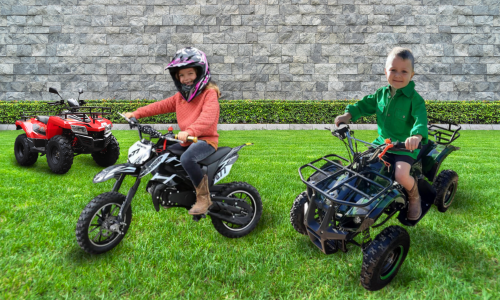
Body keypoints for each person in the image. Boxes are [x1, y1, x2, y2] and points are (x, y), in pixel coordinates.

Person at [334, 47, 428, 220]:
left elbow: (420, 119)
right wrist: (348, 115)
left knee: (400, 175)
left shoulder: (416, 100)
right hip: (382, 144)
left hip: (404, 147)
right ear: (386, 71)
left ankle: (415, 197)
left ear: (412, 75)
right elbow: (362, 105)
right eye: (393, 70)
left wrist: (416, 136)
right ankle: (354, 196)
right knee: (360, 165)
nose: (398, 75)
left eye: (404, 71)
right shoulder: (380, 95)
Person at [124, 47, 220, 215]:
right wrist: (136, 113)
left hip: (205, 140)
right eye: (181, 75)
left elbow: (207, 119)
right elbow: (159, 106)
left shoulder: (209, 94)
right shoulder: (180, 97)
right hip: (188, 140)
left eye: (190, 73)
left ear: (200, 72)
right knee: (159, 154)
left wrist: (189, 130)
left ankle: (204, 198)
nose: (185, 79)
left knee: (188, 158)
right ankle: (171, 190)